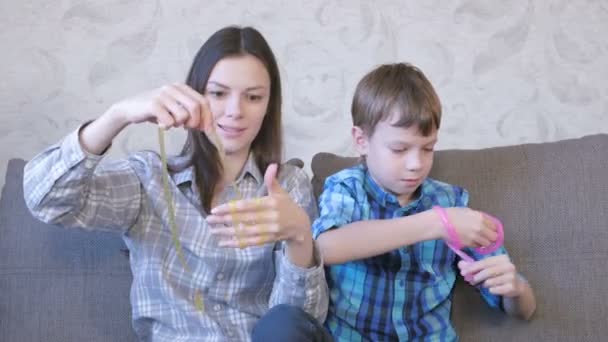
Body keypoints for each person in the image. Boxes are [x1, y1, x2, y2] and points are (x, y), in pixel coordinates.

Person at [24, 26, 331, 342]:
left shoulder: (288, 185)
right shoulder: (149, 178)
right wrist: (118, 115)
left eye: (253, 97)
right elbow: (45, 200)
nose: (235, 111)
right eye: (218, 93)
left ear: (269, 106)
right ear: (195, 95)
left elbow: (302, 323)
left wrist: (299, 236)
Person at [312, 62, 536, 341]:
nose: (416, 164)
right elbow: (324, 248)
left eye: (428, 148)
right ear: (361, 140)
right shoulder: (346, 188)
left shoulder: (451, 201)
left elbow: (524, 310)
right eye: (399, 149)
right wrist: (436, 222)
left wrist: (515, 290)